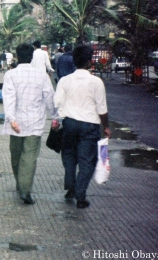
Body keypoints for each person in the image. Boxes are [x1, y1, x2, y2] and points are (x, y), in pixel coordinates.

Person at [53, 44, 111, 209]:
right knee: (87, 161)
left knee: (69, 157)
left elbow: (57, 103)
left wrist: (57, 120)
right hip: (89, 127)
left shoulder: (65, 80)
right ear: (89, 62)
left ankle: (70, 189)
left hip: (69, 124)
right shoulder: (96, 82)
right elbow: (102, 109)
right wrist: (106, 127)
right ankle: (80, 195)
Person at [1, 43, 58, 205]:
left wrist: (11, 119)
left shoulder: (10, 75)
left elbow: (9, 98)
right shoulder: (41, 76)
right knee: (30, 157)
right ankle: (24, 187)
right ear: (32, 57)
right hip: (35, 122)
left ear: (17, 56)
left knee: (16, 155)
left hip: (16, 123)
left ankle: (22, 187)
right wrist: (55, 117)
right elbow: (50, 99)